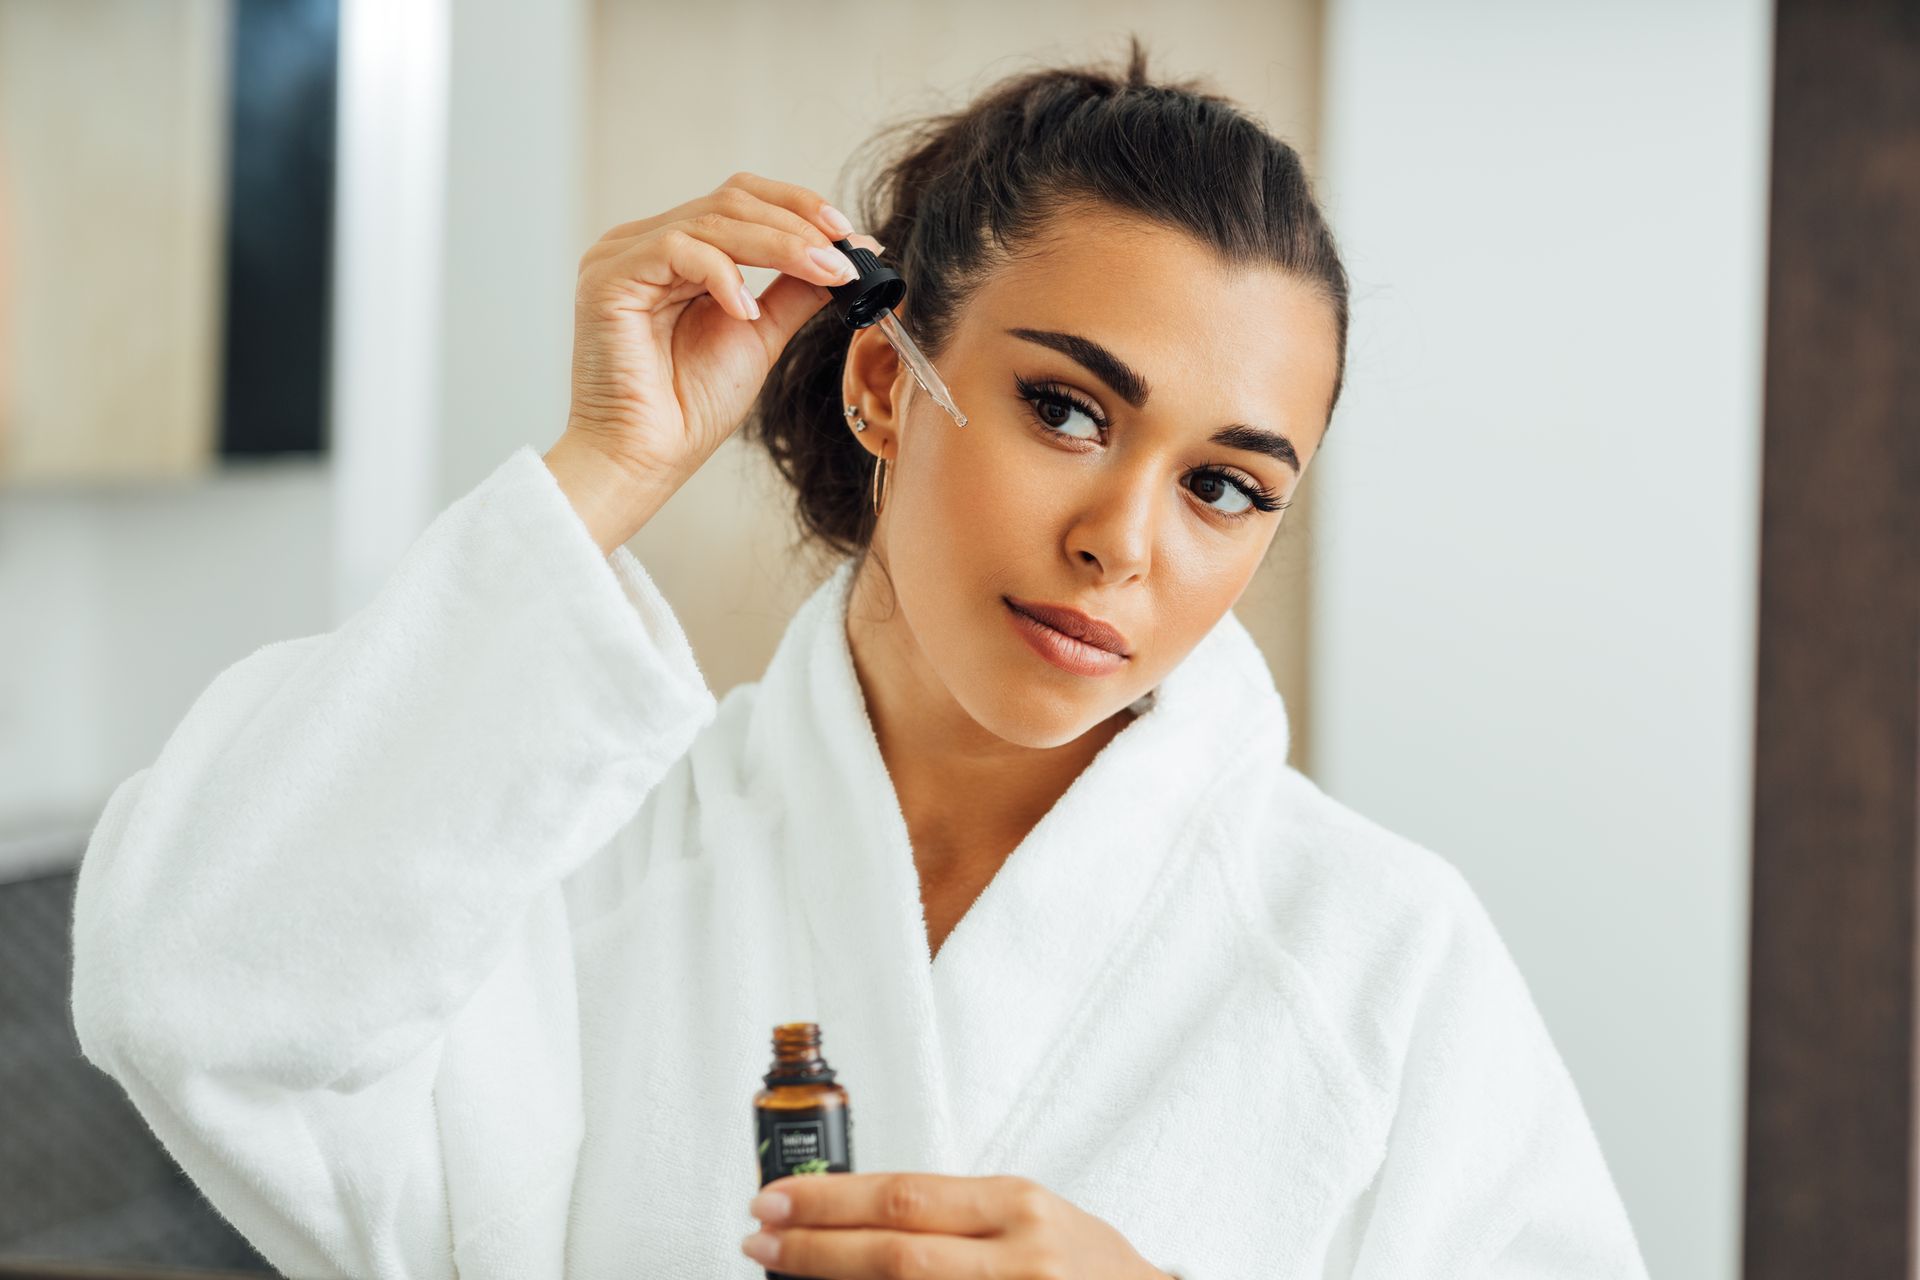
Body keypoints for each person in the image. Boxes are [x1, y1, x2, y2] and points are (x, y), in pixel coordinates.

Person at [69, 37, 1649, 1280]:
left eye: (1224, 486)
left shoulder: (1378, 961)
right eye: (1068, 409)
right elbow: (187, 994)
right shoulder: (566, 868)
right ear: (888, 394)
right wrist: (608, 464)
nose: (1125, 541)